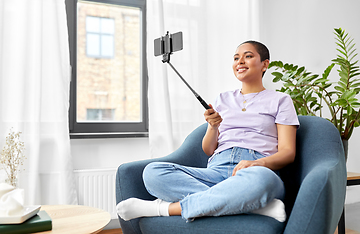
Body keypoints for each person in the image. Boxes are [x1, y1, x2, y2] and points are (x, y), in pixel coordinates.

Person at [116, 40, 299, 223]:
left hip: (256, 170)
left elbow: (287, 152)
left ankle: (162, 208)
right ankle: (252, 205)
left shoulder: (280, 100)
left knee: (262, 182)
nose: (240, 61)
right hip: (216, 170)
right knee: (153, 173)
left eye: (248, 56)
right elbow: (208, 150)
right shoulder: (223, 99)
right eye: (236, 58)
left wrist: (258, 164)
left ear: (264, 64)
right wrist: (213, 127)